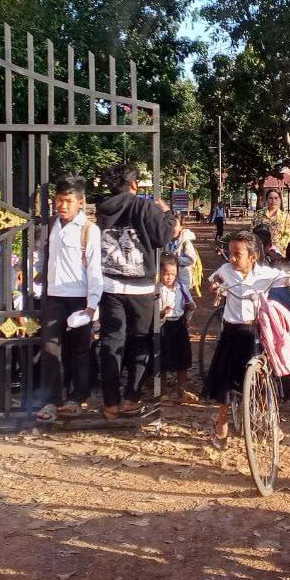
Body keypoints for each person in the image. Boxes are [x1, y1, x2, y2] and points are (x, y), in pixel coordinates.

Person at [204, 231, 290, 447]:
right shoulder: (227, 270)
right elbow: (216, 279)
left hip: (256, 331)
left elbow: (286, 277)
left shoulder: (265, 274)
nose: (232, 258)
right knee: (225, 379)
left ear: (253, 257)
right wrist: (215, 286)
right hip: (232, 331)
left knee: (264, 378)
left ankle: (271, 419)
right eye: (230, 253)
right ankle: (222, 421)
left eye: (237, 254)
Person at [96, 163, 175, 420]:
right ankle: (131, 398)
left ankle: (110, 403)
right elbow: (163, 236)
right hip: (141, 287)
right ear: (133, 184)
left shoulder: (102, 209)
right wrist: (168, 214)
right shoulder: (144, 206)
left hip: (110, 285)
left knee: (111, 341)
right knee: (140, 341)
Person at [38, 177, 102, 422]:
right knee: (50, 348)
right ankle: (51, 400)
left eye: (68, 201)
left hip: (79, 299)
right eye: (59, 200)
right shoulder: (52, 225)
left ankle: (77, 398)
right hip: (54, 297)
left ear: (80, 202)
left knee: (80, 351)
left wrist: (92, 304)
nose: (62, 206)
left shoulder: (89, 230)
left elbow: (95, 269)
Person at [158, 254, 197, 404]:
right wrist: (162, 312)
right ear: (160, 272)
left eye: (172, 274)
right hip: (163, 326)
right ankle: (162, 392)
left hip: (179, 324)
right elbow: (153, 311)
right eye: (165, 273)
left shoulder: (181, 288)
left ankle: (182, 390)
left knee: (183, 356)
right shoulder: (157, 290)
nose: (169, 277)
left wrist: (188, 316)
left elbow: (190, 304)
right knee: (162, 358)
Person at [252, 189, 290, 259]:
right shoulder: (258, 214)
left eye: (276, 198)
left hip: (278, 253)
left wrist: (276, 248)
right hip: (260, 251)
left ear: (280, 200)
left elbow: (287, 235)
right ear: (266, 200)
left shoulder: (285, 216)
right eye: (270, 198)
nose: (273, 201)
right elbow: (252, 231)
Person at [167, 215, 200, 291]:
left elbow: (191, 259)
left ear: (181, 227)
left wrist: (175, 259)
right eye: (170, 224)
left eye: (175, 225)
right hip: (170, 278)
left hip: (183, 279)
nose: (172, 227)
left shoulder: (185, 242)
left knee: (182, 296)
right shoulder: (166, 241)